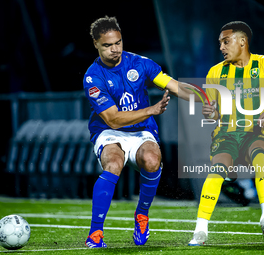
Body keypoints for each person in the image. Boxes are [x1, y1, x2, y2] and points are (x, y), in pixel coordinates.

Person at [83, 16, 194, 248]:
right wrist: (151, 109)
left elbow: (172, 84)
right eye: (107, 45)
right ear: (95, 43)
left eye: (118, 43)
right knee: (113, 162)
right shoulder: (93, 77)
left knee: (153, 159)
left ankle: (142, 215)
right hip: (108, 131)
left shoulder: (140, 63)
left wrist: (205, 98)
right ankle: (95, 232)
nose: (115, 49)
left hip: (141, 130)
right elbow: (112, 119)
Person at [188, 21, 264, 246]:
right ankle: (200, 230)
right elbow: (213, 114)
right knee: (217, 169)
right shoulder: (215, 72)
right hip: (226, 134)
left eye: (225, 42)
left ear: (242, 41)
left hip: (256, 132)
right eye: (220, 43)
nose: (221, 47)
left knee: (260, 158)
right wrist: (210, 112)